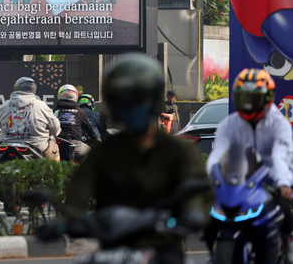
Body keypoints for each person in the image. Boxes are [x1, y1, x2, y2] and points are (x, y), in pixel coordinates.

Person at [64, 54, 212, 264]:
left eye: (139, 99)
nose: (132, 107)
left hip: (162, 248)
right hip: (113, 249)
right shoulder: (103, 153)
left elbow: (197, 190)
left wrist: (193, 213)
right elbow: (80, 188)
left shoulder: (178, 150)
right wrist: (69, 219)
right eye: (123, 100)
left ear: (153, 101)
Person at [204, 68, 293, 259]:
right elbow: (217, 155)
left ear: (267, 98)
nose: (248, 104)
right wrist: (210, 176)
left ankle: (287, 246)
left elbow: (280, 156)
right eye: (244, 98)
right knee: (210, 224)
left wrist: (284, 182)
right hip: (237, 182)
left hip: (270, 180)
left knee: (284, 210)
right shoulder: (229, 124)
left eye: (254, 98)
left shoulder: (279, 125)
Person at [0, 77, 61, 161]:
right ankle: (53, 174)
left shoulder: (4, 106)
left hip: (5, 149)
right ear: (33, 90)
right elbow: (55, 131)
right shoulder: (42, 106)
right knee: (54, 147)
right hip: (36, 149)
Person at [53, 84, 99, 163]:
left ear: (60, 95)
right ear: (75, 96)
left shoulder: (55, 111)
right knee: (92, 153)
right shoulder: (79, 112)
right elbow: (90, 129)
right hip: (74, 144)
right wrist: (96, 140)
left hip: (57, 144)